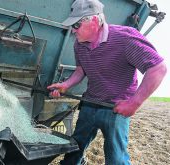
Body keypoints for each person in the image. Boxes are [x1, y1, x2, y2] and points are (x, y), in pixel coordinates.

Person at [47, 0, 167, 164]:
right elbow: (81, 69)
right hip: (90, 103)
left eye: (76, 25)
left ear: (95, 21)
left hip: (115, 108)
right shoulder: (79, 45)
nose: (73, 31)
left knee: (116, 157)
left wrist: (134, 103)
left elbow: (158, 69)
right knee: (74, 148)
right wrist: (66, 85)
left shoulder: (125, 38)